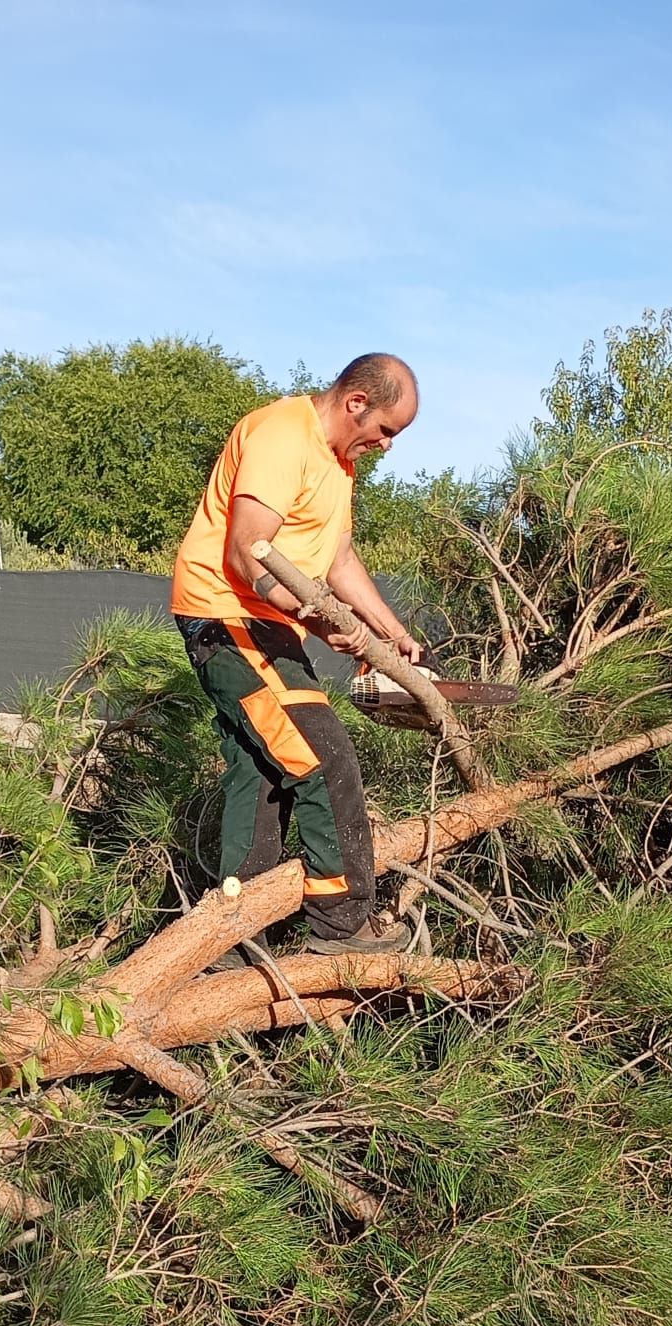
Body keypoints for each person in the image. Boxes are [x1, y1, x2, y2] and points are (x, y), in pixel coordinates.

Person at [172, 353, 423, 956]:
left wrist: (388, 630)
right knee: (322, 755)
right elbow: (243, 554)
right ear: (356, 403)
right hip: (227, 616)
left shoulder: (339, 465)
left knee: (263, 776)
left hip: (269, 624)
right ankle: (342, 924)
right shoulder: (284, 436)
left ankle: (230, 945)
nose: (387, 445)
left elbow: (338, 561)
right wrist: (317, 618)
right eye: (387, 430)